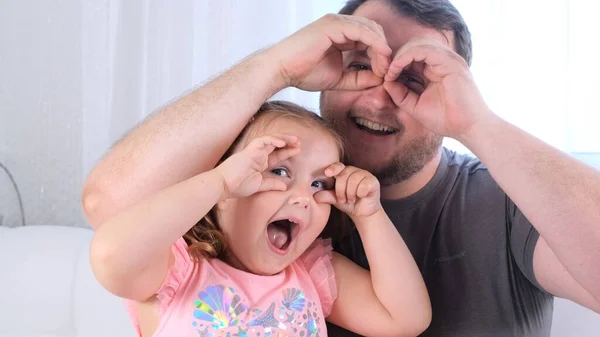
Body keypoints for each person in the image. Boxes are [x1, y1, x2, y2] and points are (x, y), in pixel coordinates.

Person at [82, 0, 600, 336]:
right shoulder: (226, 213)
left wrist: (479, 124)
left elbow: (406, 318)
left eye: (416, 78)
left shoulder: (503, 199)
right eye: (361, 62)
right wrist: (276, 66)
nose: (382, 95)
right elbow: (110, 210)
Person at [89, 101, 431, 337]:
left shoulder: (310, 274)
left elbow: (406, 319)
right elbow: (110, 255)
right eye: (279, 171)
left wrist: (370, 215)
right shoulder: (178, 268)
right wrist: (219, 183)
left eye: (318, 184)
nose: (302, 196)